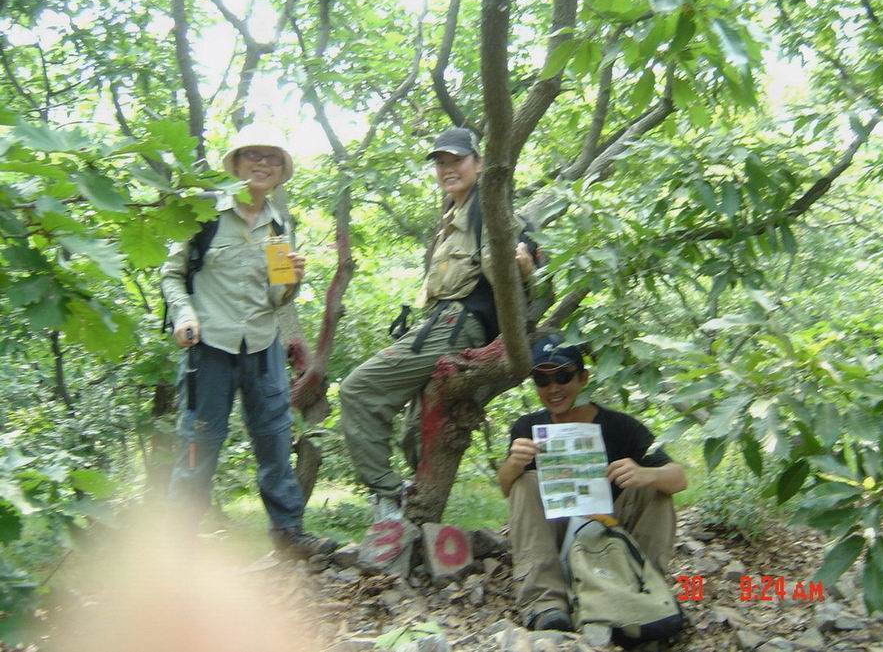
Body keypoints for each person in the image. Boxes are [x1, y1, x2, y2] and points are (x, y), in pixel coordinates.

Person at [340, 127, 537, 522]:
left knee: (358, 390)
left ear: (479, 163)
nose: (448, 168)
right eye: (441, 162)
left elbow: (520, 269)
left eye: (457, 160)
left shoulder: (490, 210)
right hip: (443, 323)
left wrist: (525, 269)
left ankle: (387, 496)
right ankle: (415, 523)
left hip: (459, 325)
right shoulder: (454, 217)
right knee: (416, 433)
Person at [160, 125, 337, 558]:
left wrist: (293, 281)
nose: (262, 164)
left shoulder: (279, 225)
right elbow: (171, 274)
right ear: (236, 164)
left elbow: (278, 298)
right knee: (198, 443)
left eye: (272, 157)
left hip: (262, 348)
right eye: (253, 155)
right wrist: (184, 315)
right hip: (209, 349)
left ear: (282, 170)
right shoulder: (203, 213)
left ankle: (288, 534)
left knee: (275, 441)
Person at [497, 334, 687, 631]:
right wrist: (514, 463)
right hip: (554, 531)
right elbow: (506, 487)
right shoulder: (527, 427)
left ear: (583, 378)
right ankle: (544, 603)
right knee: (524, 482)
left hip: (611, 531)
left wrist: (647, 474)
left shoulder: (621, 426)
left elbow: (678, 479)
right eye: (542, 380)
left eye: (563, 376)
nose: (553, 388)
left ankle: (647, 589)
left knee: (657, 489)